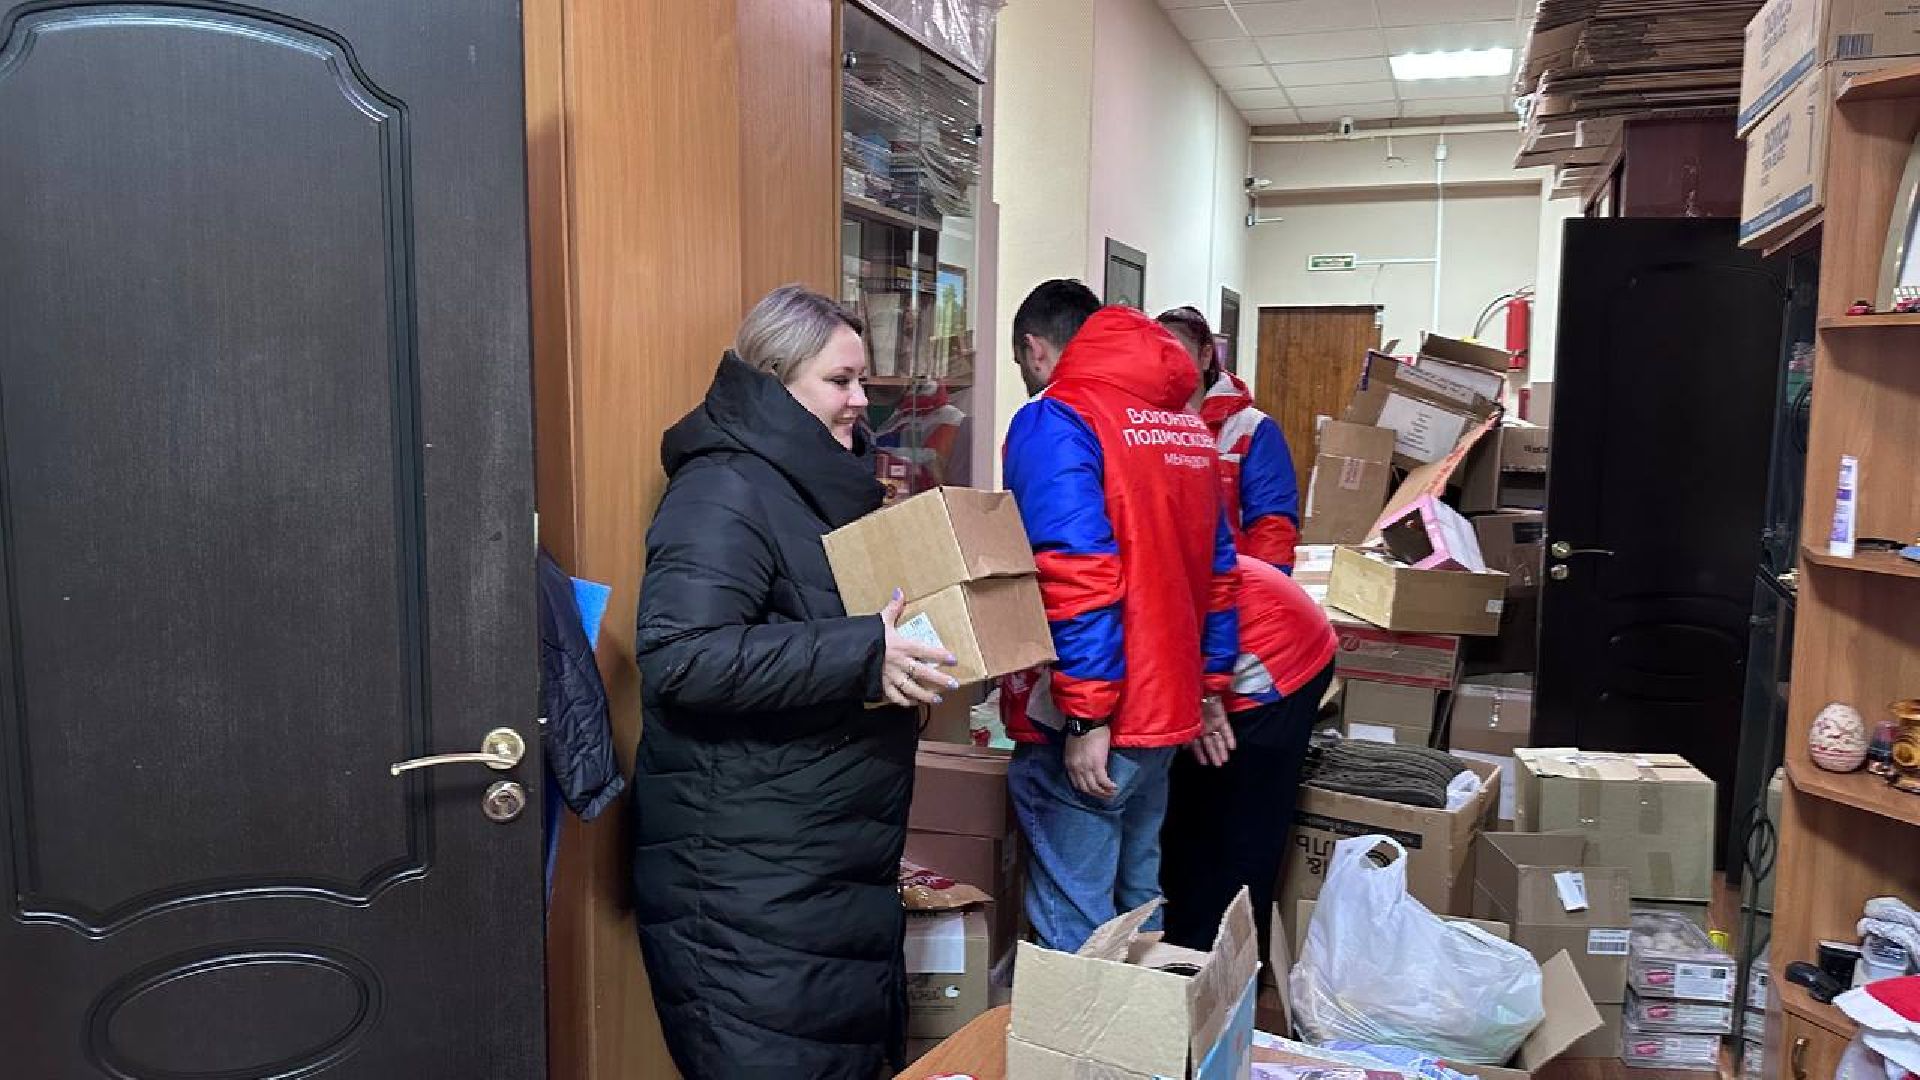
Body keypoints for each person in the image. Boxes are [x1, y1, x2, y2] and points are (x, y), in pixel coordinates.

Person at [630, 285, 959, 1080]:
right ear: (778, 381)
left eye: (861, 381)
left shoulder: (810, 487)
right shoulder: (724, 488)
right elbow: (682, 656)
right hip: (748, 883)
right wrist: (862, 654)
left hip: (813, 866)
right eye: (839, 382)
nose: (859, 401)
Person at [1000, 280, 1240, 953]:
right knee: (1137, 905)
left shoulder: (1059, 420)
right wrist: (1209, 688)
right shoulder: (1183, 428)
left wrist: (1086, 715)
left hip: (1106, 715)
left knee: (1077, 932)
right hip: (1164, 716)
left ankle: (1085, 1056)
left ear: (1035, 348)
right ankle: (1146, 1049)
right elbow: (1219, 571)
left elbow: (1076, 574)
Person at [1159, 553, 1337, 956]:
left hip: (1275, 656)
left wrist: (1203, 694)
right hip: (1231, 650)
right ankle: (1187, 953)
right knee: (1192, 817)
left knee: (1240, 831)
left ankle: (1223, 976)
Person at [1157, 305, 1301, 572]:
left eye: (1177, 352)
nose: (1167, 365)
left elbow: (1272, 525)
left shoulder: (1251, 429)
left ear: (1205, 356)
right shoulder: (1146, 425)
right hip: (1167, 589)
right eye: (1158, 355)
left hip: (1232, 588)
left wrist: (1263, 593)